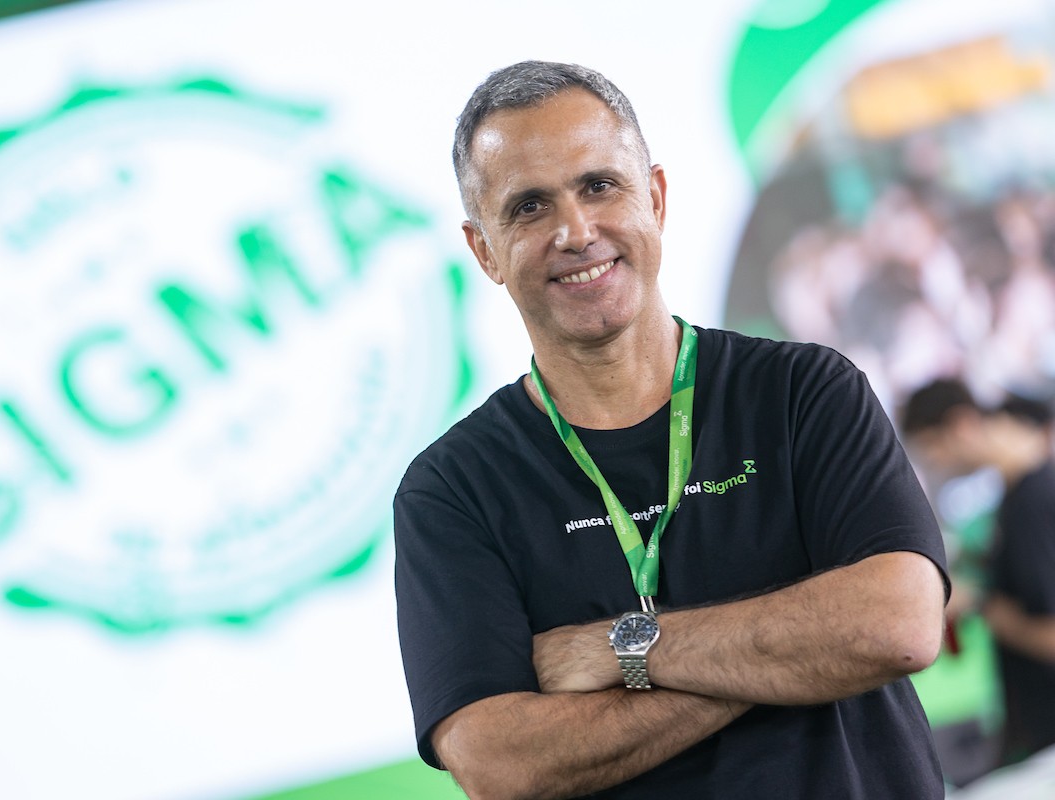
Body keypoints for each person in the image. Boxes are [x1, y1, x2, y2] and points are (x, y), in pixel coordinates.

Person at [394, 60, 949, 799]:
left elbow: (899, 625)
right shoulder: (451, 490)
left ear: (654, 196)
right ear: (484, 250)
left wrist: (620, 649)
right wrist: (797, 650)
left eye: (599, 186)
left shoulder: (802, 392)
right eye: (529, 207)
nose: (576, 231)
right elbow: (501, 764)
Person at [901, 379, 1055, 766]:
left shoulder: (1032, 502)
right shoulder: (1019, 495)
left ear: (960, 425)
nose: (934, 465)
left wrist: (979, 603)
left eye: (932, 449)